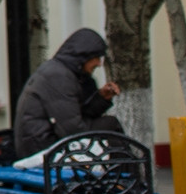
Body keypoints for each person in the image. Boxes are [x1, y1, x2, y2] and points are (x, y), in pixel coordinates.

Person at [13, 27, 123, 159]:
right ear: (84, 56)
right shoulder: (59, 76)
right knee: (110, 124)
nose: (99, 64)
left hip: (40, 143)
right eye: (96, 57)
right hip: (42, 148)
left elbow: (74, 116)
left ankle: (125, 175)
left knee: (108, 126)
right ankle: (128, 176)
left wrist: (101, 98)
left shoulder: (60, 71)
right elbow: (72, 131)